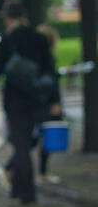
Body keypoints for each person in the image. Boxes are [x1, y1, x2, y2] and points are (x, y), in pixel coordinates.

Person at [0, 0, 54, 205]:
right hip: (36, 99)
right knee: (26, 144)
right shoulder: (39, 38)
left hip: (15, 101)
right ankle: (18, 189)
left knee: (21, 147)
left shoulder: (8, 39)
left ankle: (27, 192)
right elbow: (48, 69)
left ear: (8, 17)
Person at [35, 24, 63, 184]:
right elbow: (52, 83)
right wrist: (55, 102)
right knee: (44, 136)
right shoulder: (47, 58)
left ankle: (42, 171)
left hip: (38, 102)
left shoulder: (35, 57)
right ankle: (43, 171)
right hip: (47, 103)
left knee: (37, 137)